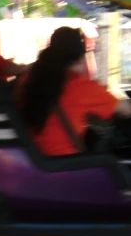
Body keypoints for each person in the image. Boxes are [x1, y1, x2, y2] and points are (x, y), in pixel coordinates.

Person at [20, 27, 131, 156]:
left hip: (31, 163)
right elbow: (126, 110)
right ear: (81, 58)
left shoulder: (27, 80)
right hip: (67, 167)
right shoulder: (82, 86)